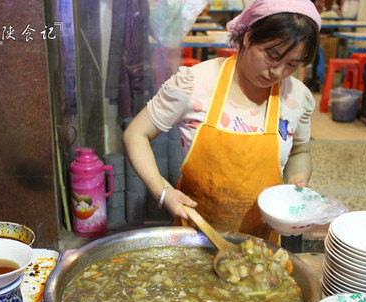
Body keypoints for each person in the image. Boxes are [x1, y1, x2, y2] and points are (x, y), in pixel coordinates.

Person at [123, 0, 321, 244]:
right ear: (248, 37)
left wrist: (296, 183)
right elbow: (135, 135)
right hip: (194, 238)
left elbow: (300, 150)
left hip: (261, 244)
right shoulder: (195, 85)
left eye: (292, 64)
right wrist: (164, 193)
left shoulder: (296, 97)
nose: (277, 72)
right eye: (272, 55)